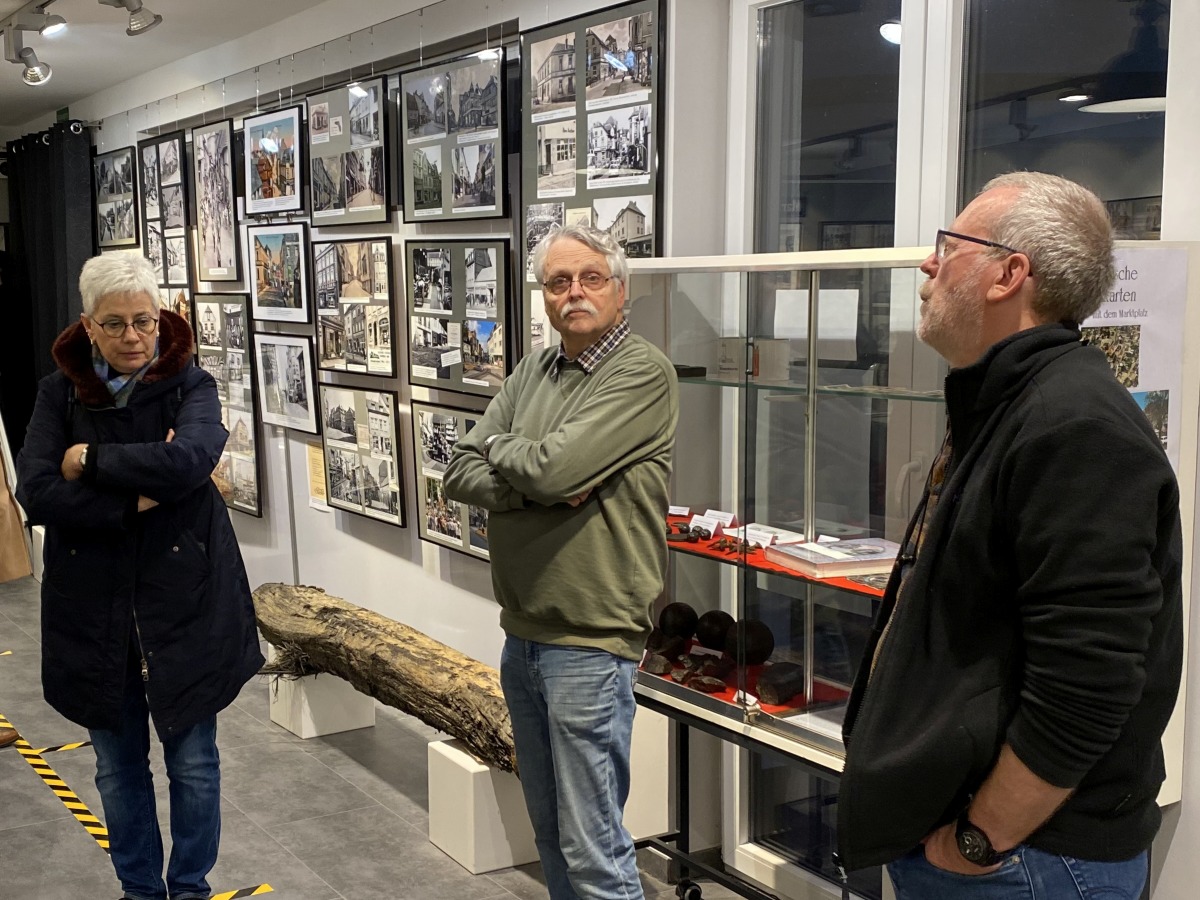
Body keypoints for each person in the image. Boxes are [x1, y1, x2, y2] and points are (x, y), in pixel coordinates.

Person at [836, 172, 1183, 899]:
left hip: (1027, 862)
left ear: (1008, 273)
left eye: (947, 246)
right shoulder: (1010, 401)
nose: (927, 266)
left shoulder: (1074, 426)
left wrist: (976, 838)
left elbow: (1087, 685)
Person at [15, 253, 263, 900]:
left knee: (195, 766)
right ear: (88, 327)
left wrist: (88, 458)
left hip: (186, 606)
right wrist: (135, 497)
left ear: (163, 318)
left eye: (144, 321)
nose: (132, 337)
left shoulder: (192, 384)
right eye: (115, 323)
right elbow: (36, 493)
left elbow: (191, 458)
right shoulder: (56, 393)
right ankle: (139, 892)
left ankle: (189, 889)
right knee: (117, 771)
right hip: (93, 615)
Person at [443, 223, 678, 900]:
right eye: (557, 281)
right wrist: (535, 474)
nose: (574, 292)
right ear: (544, 296)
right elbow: (462, 467)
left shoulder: (641, 373)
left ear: (620, 290)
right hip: (524, 633)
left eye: (590, 278)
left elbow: (555, 467)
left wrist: (518, 457)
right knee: (548, 835)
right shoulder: (533, 371)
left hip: (590, 640)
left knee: (594, 849)